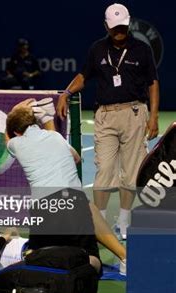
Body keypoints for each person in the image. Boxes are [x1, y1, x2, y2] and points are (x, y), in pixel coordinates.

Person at [56, 3, 160, 240]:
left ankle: (123, 221)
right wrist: (65, 93)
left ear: (128, 23)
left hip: (134, 113)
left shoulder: (142, 50)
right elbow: (84, 76)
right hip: (105, 115)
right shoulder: (97, 49)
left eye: (122, 26)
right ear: (106, 26)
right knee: (103, 170)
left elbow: (153, 83)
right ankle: (98, 223)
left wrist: (153, 116)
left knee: (131, 171)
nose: (119, 31)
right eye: (114, 28)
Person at [6, 99, 127, 274]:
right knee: (92, 261)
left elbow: (7, 137)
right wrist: (47, 120)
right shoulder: (55, 137)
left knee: (38, 259)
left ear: (17, 132)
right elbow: (76, 158)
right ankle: (119, 259)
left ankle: (55, 263)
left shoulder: (16, 144)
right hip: (74, 205)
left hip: (43, 210)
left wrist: (14, 110)